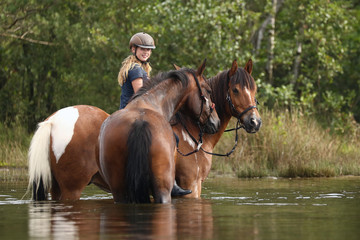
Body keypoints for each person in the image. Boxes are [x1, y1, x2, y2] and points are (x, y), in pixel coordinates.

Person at [117, 32, 191, 196]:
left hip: (128, 110)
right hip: (135, 112)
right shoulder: (136, 70)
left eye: (149, 50)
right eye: (142, 49)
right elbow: (141, 96)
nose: (146, 52)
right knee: (174, 138)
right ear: (133, 49)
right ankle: (170, 182)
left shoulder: (140, 68)